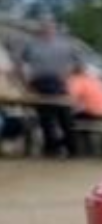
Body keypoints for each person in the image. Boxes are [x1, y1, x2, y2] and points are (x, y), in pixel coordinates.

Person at [21, 19, 83, 158]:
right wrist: (26, 82)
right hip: (41, 83)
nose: (47, 30)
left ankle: (66, 148)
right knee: (48, 118)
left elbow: (79, 64)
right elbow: (23, 64)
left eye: (50, 28)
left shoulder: (66, 44)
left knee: (61, 116)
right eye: (44, 28)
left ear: (55, 29)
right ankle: (55, 148)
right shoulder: (32, 45)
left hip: (59, 83)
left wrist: (68, 74)